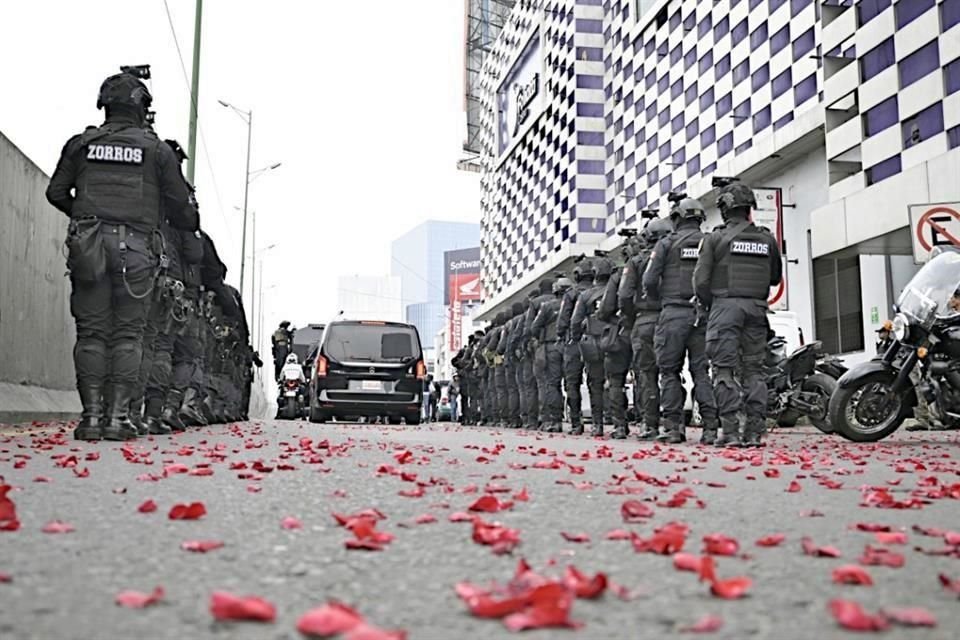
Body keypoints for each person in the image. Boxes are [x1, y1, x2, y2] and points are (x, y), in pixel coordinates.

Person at [46, 70, 195, 441]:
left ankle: (91, 418)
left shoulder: (81, 145)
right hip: (137, 252)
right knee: (129, 335)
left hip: (89, 246)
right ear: (142, 108)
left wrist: (87, 216)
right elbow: (184, 214)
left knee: (92, 333)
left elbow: (56, 192)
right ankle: (117, 419)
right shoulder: (157, 151)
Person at [694, 182, 782, 448]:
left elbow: (700, 282)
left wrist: (714, 304)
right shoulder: (767, 238)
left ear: (724, 209)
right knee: (755, 371)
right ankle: (754, 432)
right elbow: (776, 277)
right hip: (757, 309)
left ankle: (731, 432)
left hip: (725, 309)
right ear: (749, 208)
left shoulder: (714, 239)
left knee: (724, 371)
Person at [644, 199, 720, 444]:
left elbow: (649, 280)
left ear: (676, 218)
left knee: (669, 372)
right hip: (702, 315)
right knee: (702, 372)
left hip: (673, 313)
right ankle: (709, 429)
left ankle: (674, 428)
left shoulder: (666, 244)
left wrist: (662, 299)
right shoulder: (710, 242)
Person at [620, 219, 671, 440]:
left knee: (647, 375)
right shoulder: (674, 255)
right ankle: (674, 425)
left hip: (645, 320)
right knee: (671, 372)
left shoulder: (636, 261)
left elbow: (624, 296)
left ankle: (650, 425)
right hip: (672, 316)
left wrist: (631, 319)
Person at [572, 257, 615, 437]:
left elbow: (575, 321)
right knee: (616, 381)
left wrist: (575, 339)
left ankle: (597, 425)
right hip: (615, 339)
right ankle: (620, 423)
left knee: (595, 385)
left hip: (593, 342)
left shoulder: (585, 295)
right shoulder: (617, 291)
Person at [597, 252, 633, 440]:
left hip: (622, 331)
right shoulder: (663, 261)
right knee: (648, 376)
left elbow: (605, 309)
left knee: (616, 380)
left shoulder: (619, 275)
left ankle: (619, 425)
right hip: (651, 325)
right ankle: (652, 425)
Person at [558, 260, 592, 435]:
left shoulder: (571, 294)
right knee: (597, 382)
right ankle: (600, 423)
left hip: (573, 341)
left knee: (572, 383)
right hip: (596, 339)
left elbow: (563, 321)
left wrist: (562, 336)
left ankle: (576, 423)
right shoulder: (599, 290)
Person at [531, 278, 568, 432]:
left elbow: (534, 327)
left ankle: (555, 420)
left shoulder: (546, 306)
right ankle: (577, 421)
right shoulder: (576, 302)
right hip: (572, 345)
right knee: (572, 385)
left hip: (551, 346)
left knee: (552, 384)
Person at [523, 279, 555, 429]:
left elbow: (530, 328)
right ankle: (558, 419)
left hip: (543, 346)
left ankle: (545, 418)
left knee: (542, 383)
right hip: (564, 344)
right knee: (558, 384)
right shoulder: (560, 300)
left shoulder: (536, 304)